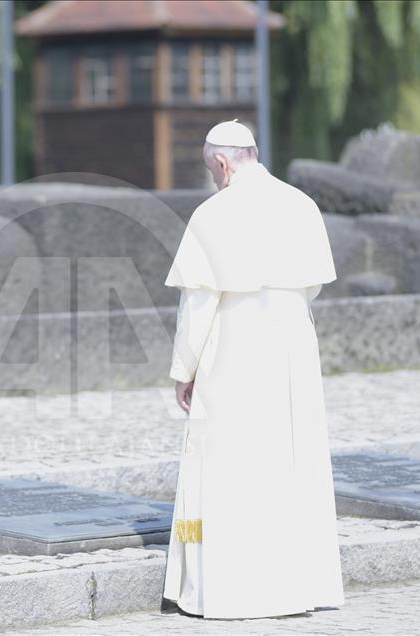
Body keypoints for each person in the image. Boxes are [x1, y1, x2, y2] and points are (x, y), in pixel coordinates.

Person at [160, 119, 346, 619]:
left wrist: (185, 369)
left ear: (222, 163)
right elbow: (312, 287)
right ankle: (298, 585)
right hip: (292, 348)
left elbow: (197, 304)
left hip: (235, 349)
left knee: (227, 466)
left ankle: (230, 588)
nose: (214, 179)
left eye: (212, 170)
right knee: (291, 461)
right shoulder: (301, 205)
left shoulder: (212, 214)